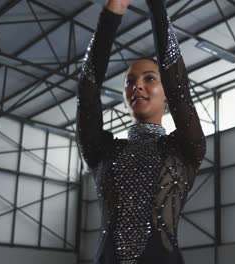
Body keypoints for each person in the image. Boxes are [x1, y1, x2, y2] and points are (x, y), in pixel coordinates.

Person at [76, 0, 206, 263]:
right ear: (124, 100)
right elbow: (87, 95)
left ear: (167, 94)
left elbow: (179, 86)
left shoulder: (184, 148)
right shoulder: (101, 151)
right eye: (130, 82)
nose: (138, 86)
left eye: (150, 78)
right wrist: (111, 15)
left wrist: (156, 5)